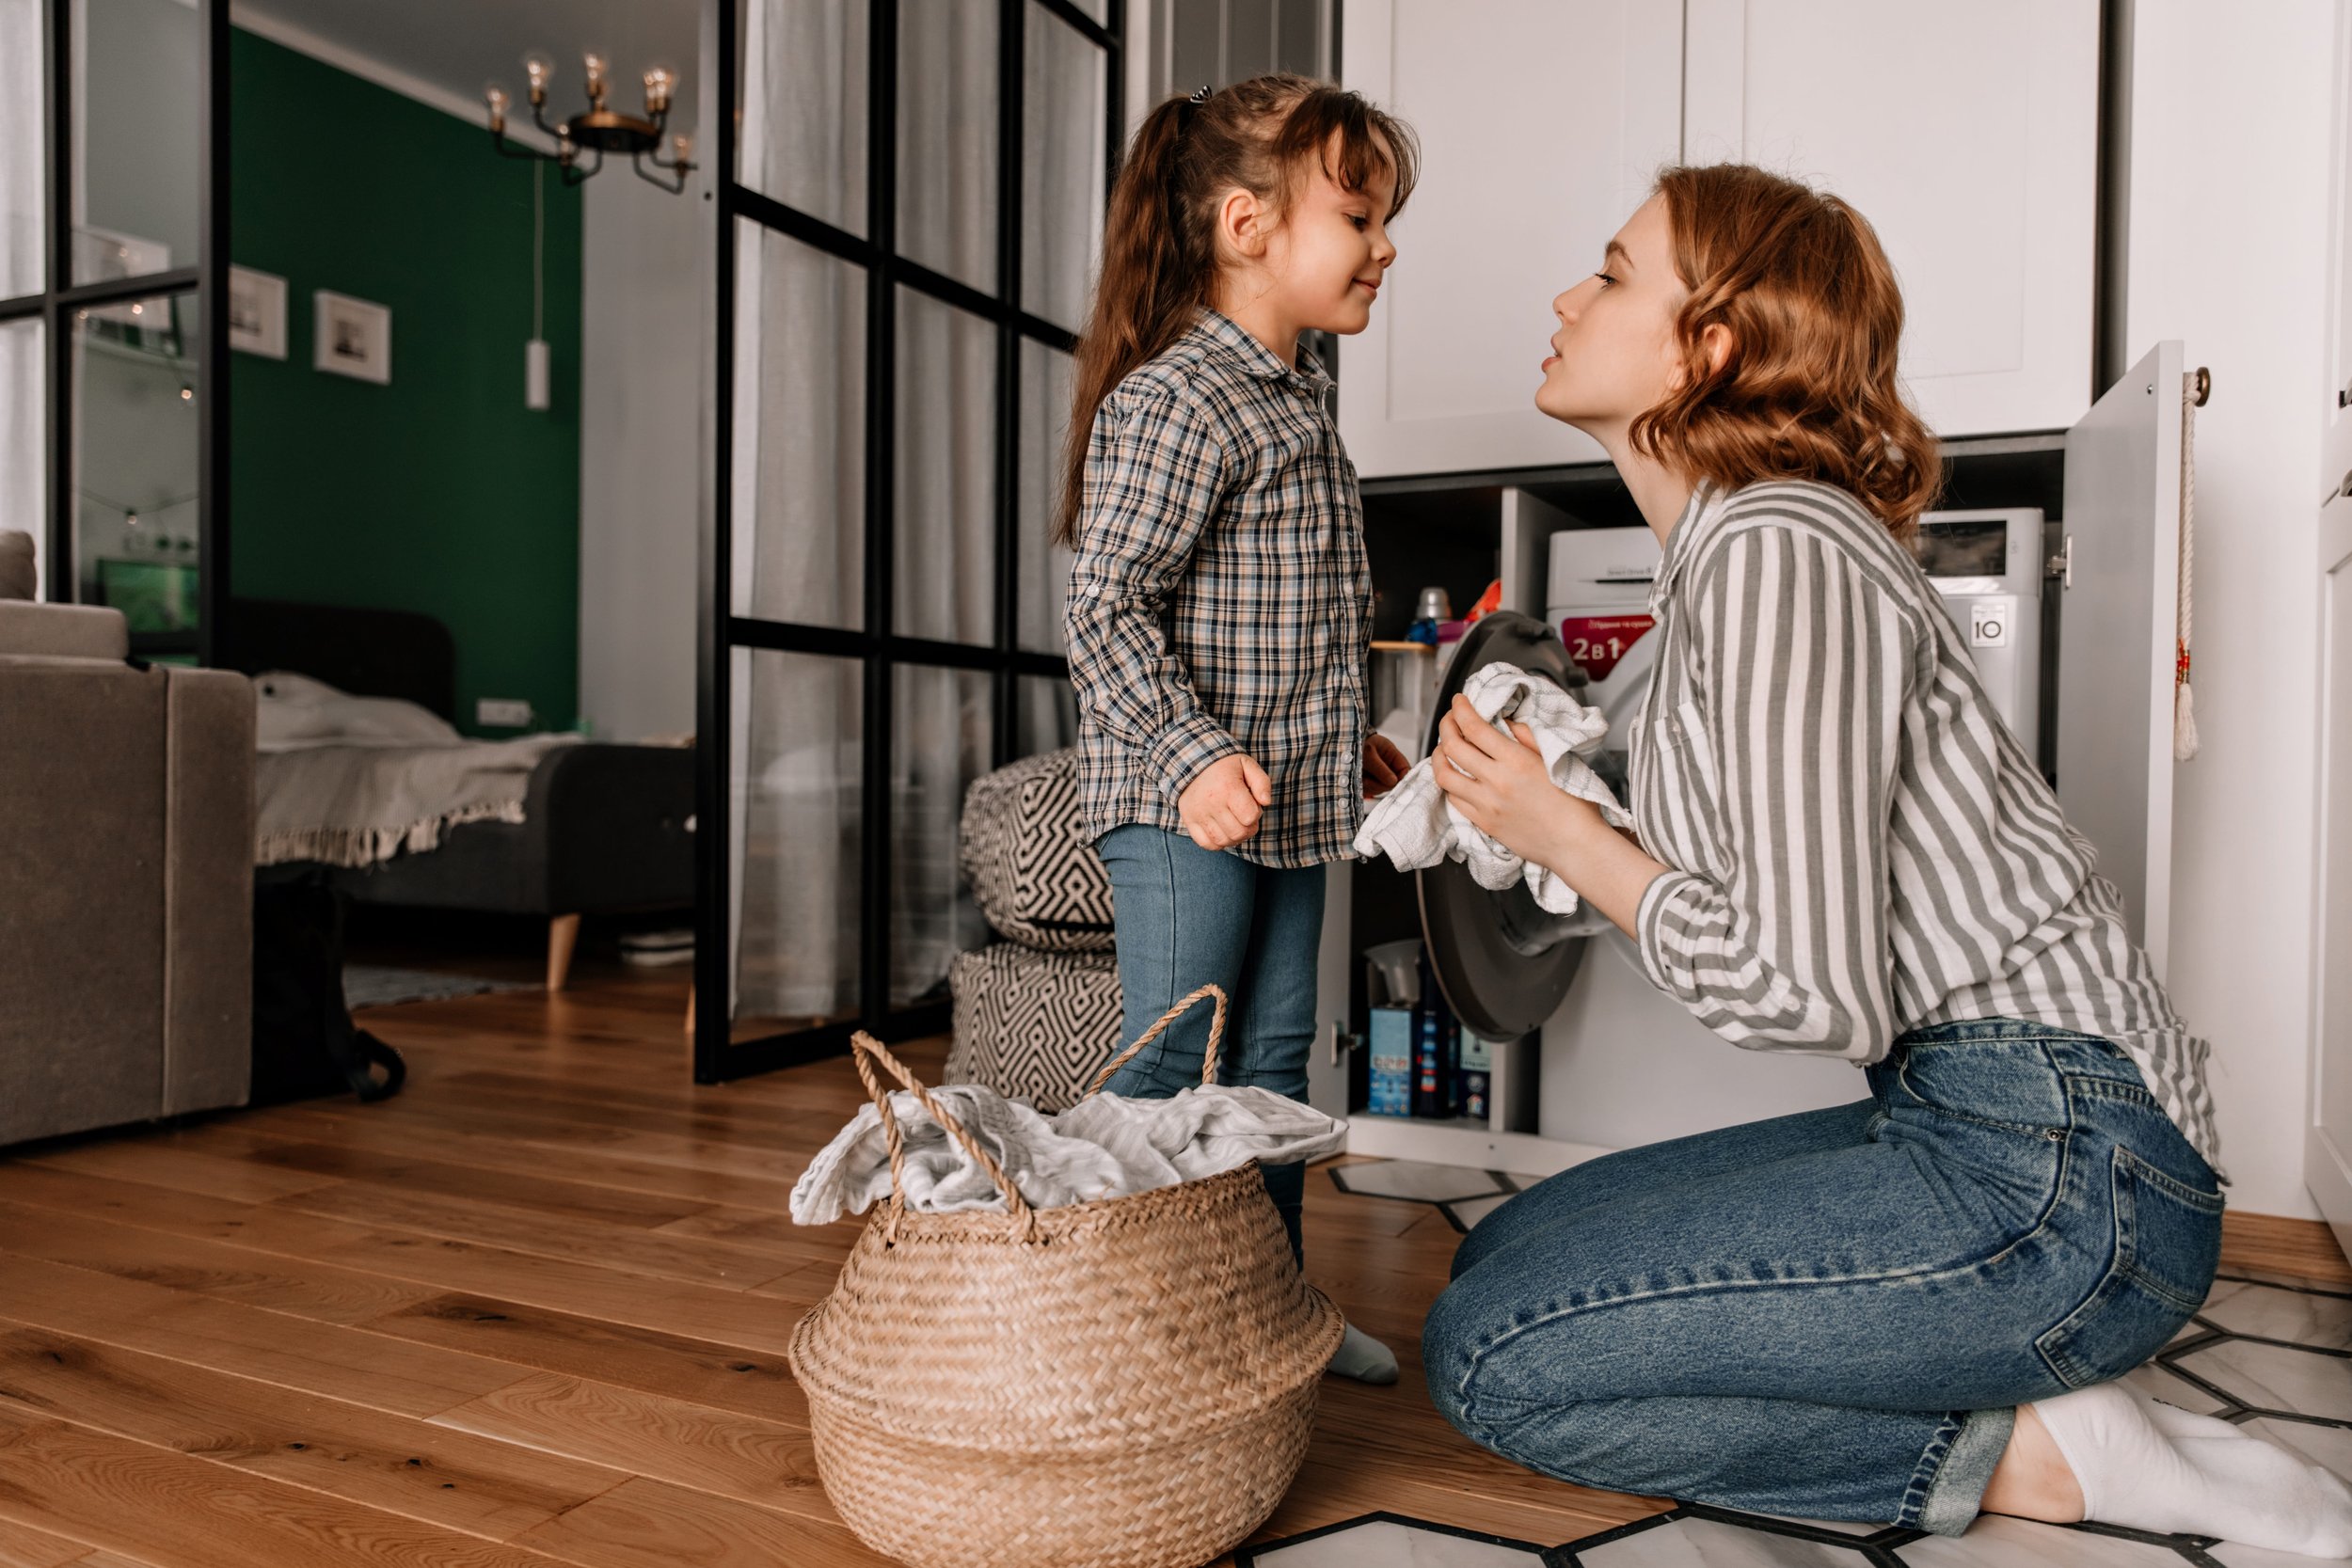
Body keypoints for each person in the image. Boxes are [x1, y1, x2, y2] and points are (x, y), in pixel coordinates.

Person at [1416, 163, 2352, 1555]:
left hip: (2066, 1171)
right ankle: (2021, 1375)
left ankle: (2046, 1450)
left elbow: (1811, 995)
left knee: (1498, 1357)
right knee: (1497, 1258)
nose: (1567, 295)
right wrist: (1546, 818)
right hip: (1975, 1116)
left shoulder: (1779, 549)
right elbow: (1725, 890)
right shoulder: (1723, 569)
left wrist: (1574, 837)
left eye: (1612, 271)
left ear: (1708, 343)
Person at [1059, 75, 1417, 1384]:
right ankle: (1139, 1331)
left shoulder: (1300, 397)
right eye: (1360, 212)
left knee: (1271, 1068)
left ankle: (1267, 1313)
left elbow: (1295, 617)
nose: (1386, 243)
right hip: (1181, 808)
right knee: (1172, 1068)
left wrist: (1351, 737)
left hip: (1292, 799)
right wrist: (1192, 756)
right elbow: (1102, 609)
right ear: (1245, 225)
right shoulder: (1181, 397)